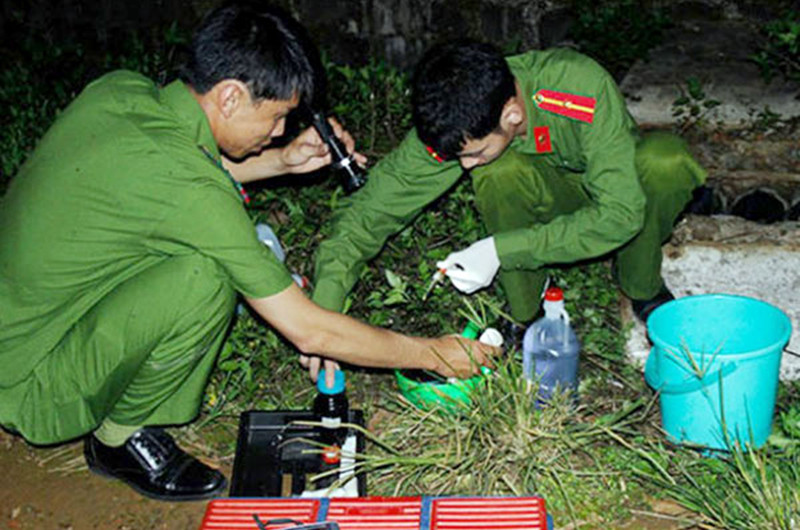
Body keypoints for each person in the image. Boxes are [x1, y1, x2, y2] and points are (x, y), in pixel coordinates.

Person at [0, 5, 496, 501]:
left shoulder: (121, 91)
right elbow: (310, 329)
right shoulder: (193, 194)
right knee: (205, 279)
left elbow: (173, 176)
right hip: (29, 385)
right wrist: (432, 354)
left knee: (180, 247)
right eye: (277, 116)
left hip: (23, 329)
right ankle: (117, 439)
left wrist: (282, 162)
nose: (279, 131)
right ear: (231, 96)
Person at [312, 40, 707, 340]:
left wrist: (500, 250)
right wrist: (320, 319)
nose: (465, 165)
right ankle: (525, 310)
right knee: (497, 171)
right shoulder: (455, 117)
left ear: (512, 114)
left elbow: (619, 213)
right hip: (545, 199)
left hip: (612, 191)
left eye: (474, 152)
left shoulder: (578, 86)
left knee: (665, 163)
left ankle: (639, 282)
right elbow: (368, 214)